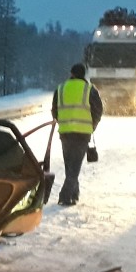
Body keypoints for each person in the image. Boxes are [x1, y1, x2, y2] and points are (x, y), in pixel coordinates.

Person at [51, 63, 103, 206]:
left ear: (71, 73)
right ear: (84, 74)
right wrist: (92, 125)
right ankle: (65, 195)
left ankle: (74, 193)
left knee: (70, 164)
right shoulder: (89, 90)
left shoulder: (60, 88)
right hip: (82, 133)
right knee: (74, 166)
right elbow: (98, 110)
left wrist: (62, 120)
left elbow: (54, 110)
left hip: (65, 132)